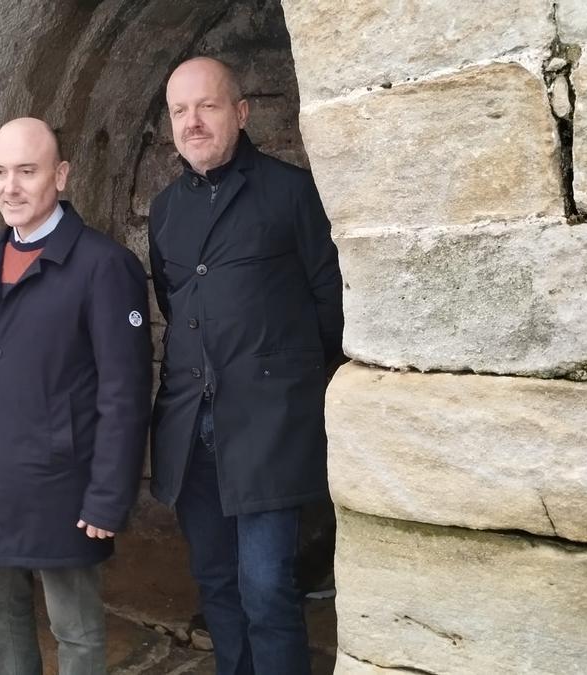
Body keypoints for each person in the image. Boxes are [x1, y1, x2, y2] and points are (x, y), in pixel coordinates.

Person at [147, 57, 345, 675]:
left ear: (240, 112)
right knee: (216, 584)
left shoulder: (290, 193)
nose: (192, 122)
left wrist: (292, 386)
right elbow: (174, 304)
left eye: (206, 106)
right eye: (180, 111)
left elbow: (329, 302)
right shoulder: (164, 209)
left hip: (267, 427)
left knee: (266, 591)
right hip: (191, 430)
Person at [0, 117, 151, 675]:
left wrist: (109, 495)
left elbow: (125, 393)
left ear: (60, 175)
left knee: (76, 628)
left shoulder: (103, 266)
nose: (9, 187)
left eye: (26, 171)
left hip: (62, 483)